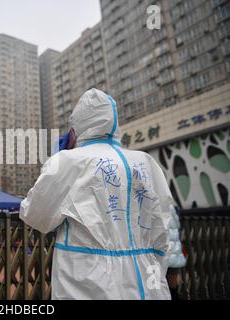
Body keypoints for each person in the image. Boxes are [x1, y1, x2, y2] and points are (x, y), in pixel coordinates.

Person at [20, 88, 173, 300]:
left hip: (88, 281)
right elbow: (162, 228)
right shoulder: (145, 162)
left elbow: (36, 216)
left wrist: (53, 165)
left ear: (78, 125)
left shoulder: (68, 161)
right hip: (147, 279)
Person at [167, 205, 187, 300]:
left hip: (163, 254)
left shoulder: (151, 204)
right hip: (174, 252)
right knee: (173, 286)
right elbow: (178, 226)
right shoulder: (171, 208)